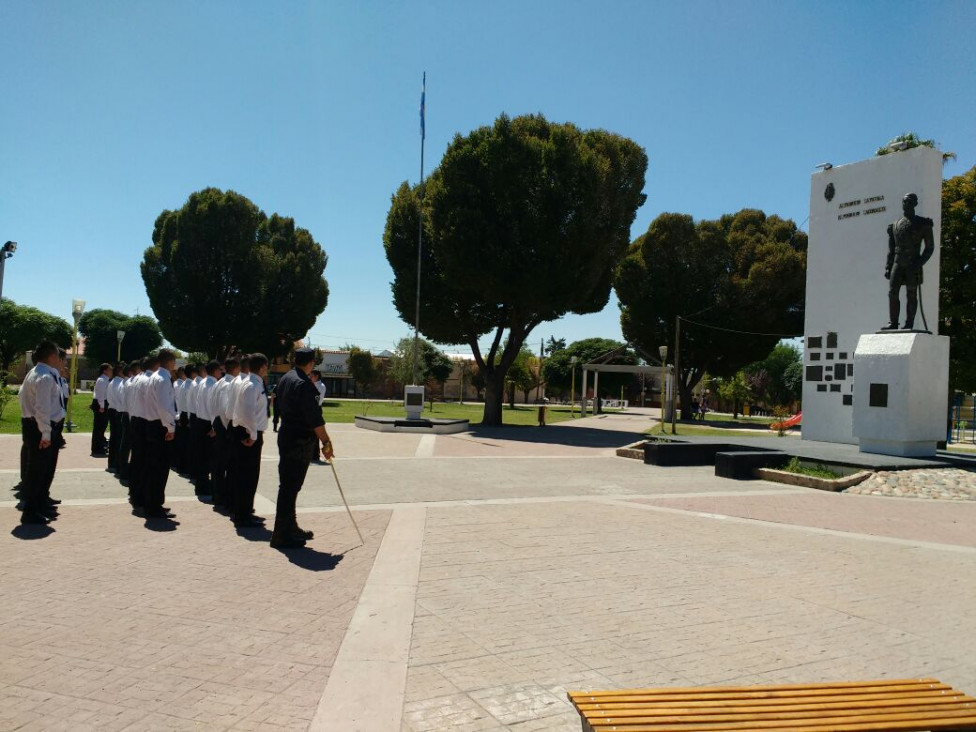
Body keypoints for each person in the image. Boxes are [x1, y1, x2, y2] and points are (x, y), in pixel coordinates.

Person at [271, 348, 333, 548]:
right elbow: (314, 418)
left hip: (287, 434)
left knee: (289, 485)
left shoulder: (285, 379)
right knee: (290, 487)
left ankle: (290, 526)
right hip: (299, 439)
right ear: (311, 362)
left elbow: (277, 405)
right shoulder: (304, 385)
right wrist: (326, 442)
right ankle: (281, 534)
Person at [18, 340, 66, 525]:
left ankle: (38, 505)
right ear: (52, 356)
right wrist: (45, 433)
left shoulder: (36, 372)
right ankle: (31, 511)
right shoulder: (45, 376)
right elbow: (42, 408)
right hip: (40, 428)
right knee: (37, 472)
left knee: (42, 470)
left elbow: (22, 396)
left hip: (36, 426)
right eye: (57, 355)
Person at [884, 192, 935, 331]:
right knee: (892, 292)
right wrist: (888, 266)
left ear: (915, 204)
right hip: (897, 262)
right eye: (904, 201)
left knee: (911, 293)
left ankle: (909, 323)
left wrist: (919, 263)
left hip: (913, 263)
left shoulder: (923, 223)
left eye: (909, 201)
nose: (905, 204)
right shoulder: (894, 225)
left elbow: (929, 248)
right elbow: (891, 248)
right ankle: (893, 323)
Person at [232, 353, 269, 528]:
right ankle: (242, 515)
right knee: (247, 476)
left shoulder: (252, 382)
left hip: (249, 432)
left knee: (248, 476)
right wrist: (253, 435)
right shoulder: (252, 385)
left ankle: (245, 511)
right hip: (248, 434)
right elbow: (248, 412)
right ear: (262, 367)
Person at [144, 350, 178, 518]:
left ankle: (153, 502)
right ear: (170, 362)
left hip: (153, 424)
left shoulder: (155, 377)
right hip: (160, 427)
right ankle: (154, 505)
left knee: (154, 467)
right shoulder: (163, 379)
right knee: (160, 468)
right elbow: (164, 407)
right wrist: (170, 428)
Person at [210, 357, 240, 509]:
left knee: (219, 463)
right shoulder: (229, 384)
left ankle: (218, 494)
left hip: (218, 423)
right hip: (225, 426)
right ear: (235, 369)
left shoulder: (219, 382)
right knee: (226, 464)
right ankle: (223, 497)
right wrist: (228, 427)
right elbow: (225, 409)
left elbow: (212, 405)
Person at [106, 363, 124, 471]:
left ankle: (112, 462)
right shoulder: (119, 383)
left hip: (112, 410)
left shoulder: (112, 382)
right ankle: (116, 463)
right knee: (118, 438)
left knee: (114, 437)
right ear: (120, 372)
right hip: (117, 410)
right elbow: (120, 399)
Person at [90, 363, 112, 456]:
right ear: (104, 370)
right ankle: (97, 448)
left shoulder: (105, 380)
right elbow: (100, 395)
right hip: (101, 404)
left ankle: (100, 445)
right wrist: (102, 406)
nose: (111, 371)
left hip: (103, 404)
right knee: (99, 427)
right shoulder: (102, 380)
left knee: (102, 426)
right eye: (109, 369)